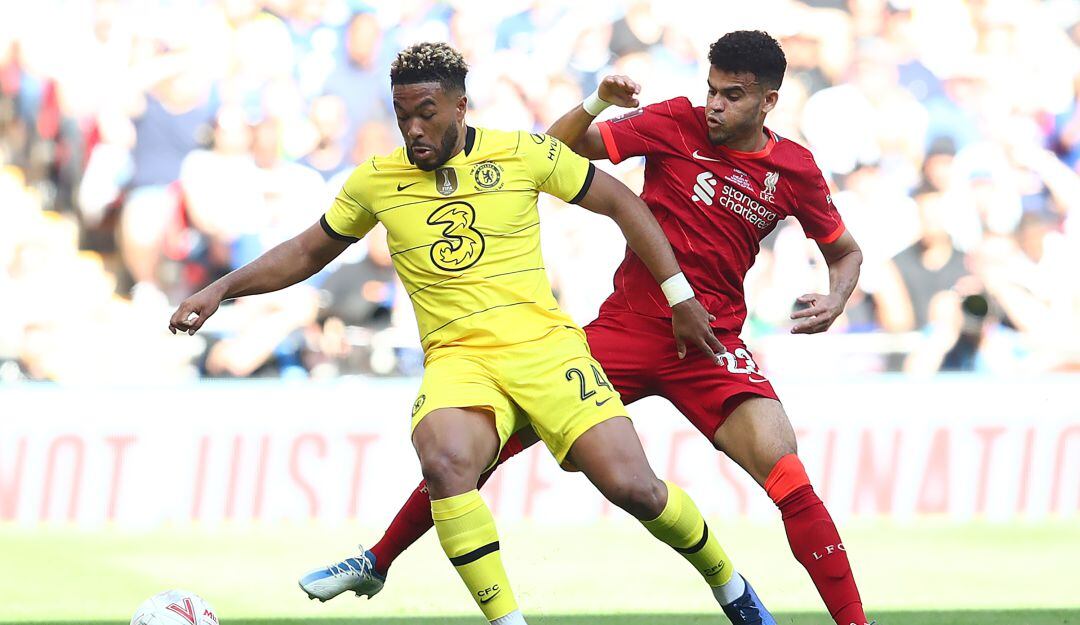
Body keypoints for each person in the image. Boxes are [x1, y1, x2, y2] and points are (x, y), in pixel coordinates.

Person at [169, 42, 773, 625]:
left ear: (461, 106)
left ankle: (731, 586)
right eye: (403, 115)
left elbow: (624, 204)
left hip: (547, 350)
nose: (414, 129)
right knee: (446, 461)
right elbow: (306, 251)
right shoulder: (375, 181)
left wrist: (679, 296)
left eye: (426, 113)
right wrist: (220, 289)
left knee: (635, 489)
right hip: (459, 361)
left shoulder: (524, 154)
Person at [339, 32, 874, 625]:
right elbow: (553, 152)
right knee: (477, 447)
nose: (715, 105)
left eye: (733, 96)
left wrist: (836, 298)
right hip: (625, 329)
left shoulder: (794, 169)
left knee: (788, 474)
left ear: (768, 102)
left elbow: (845, 251)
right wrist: (595, 103)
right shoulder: (675, 122)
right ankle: (379, 558)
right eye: (712, 90)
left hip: (709, 341)